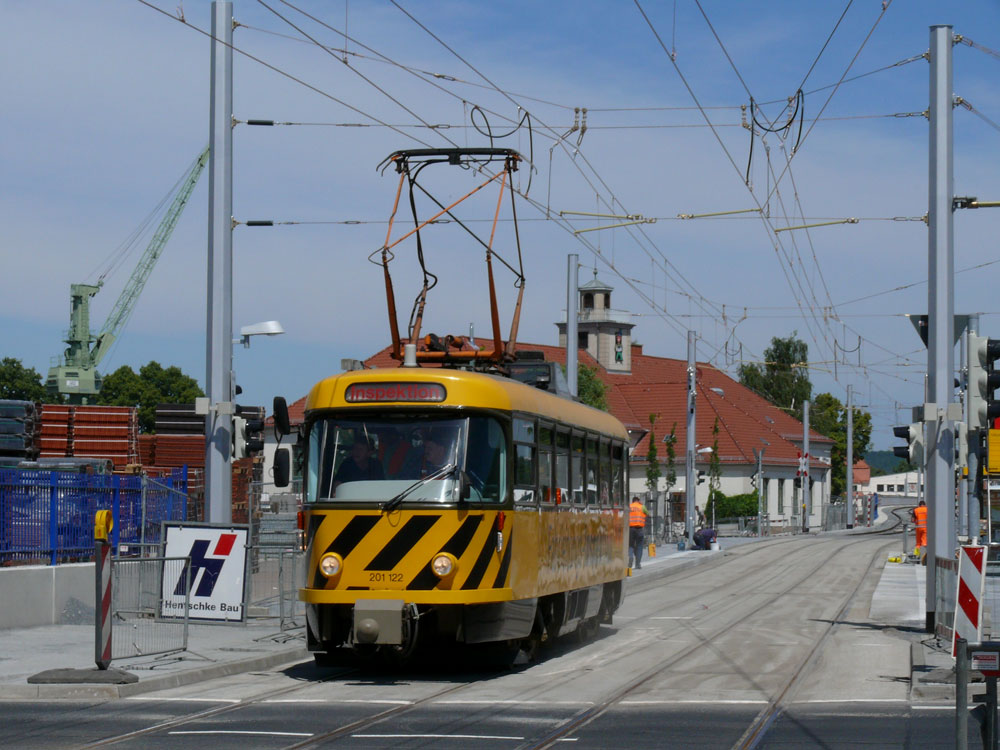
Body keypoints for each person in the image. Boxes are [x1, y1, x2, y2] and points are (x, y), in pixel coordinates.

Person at [628, 496, 649, 569]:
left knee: (630, 545)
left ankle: (630, 557)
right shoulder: (642, 506)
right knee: (639, 546)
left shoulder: (629, 506)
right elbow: (648, 514)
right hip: (640, 529)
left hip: (631, 529)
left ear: (632, 501)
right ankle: (638, 564)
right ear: (638, 500)